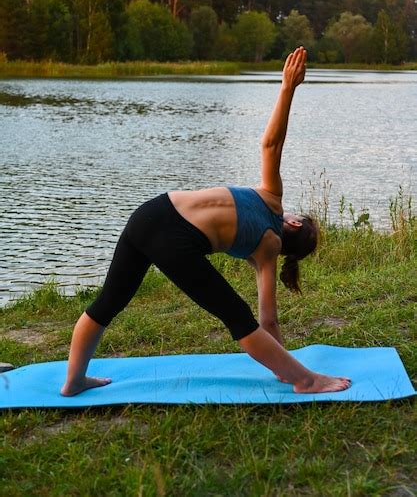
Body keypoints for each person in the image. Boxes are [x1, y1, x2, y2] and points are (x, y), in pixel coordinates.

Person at [61, 47, 351, 397]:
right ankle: (306, 380)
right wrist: (289, 368)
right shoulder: (267, 249)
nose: (290, 211)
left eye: (295, 213)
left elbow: (271, 144)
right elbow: (268, 321)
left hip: (149, 213)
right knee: (237, 317)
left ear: (291, 225)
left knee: (107, 303)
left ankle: (73, 381)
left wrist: (287, 87)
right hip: (174, 237)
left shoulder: (271, 202)